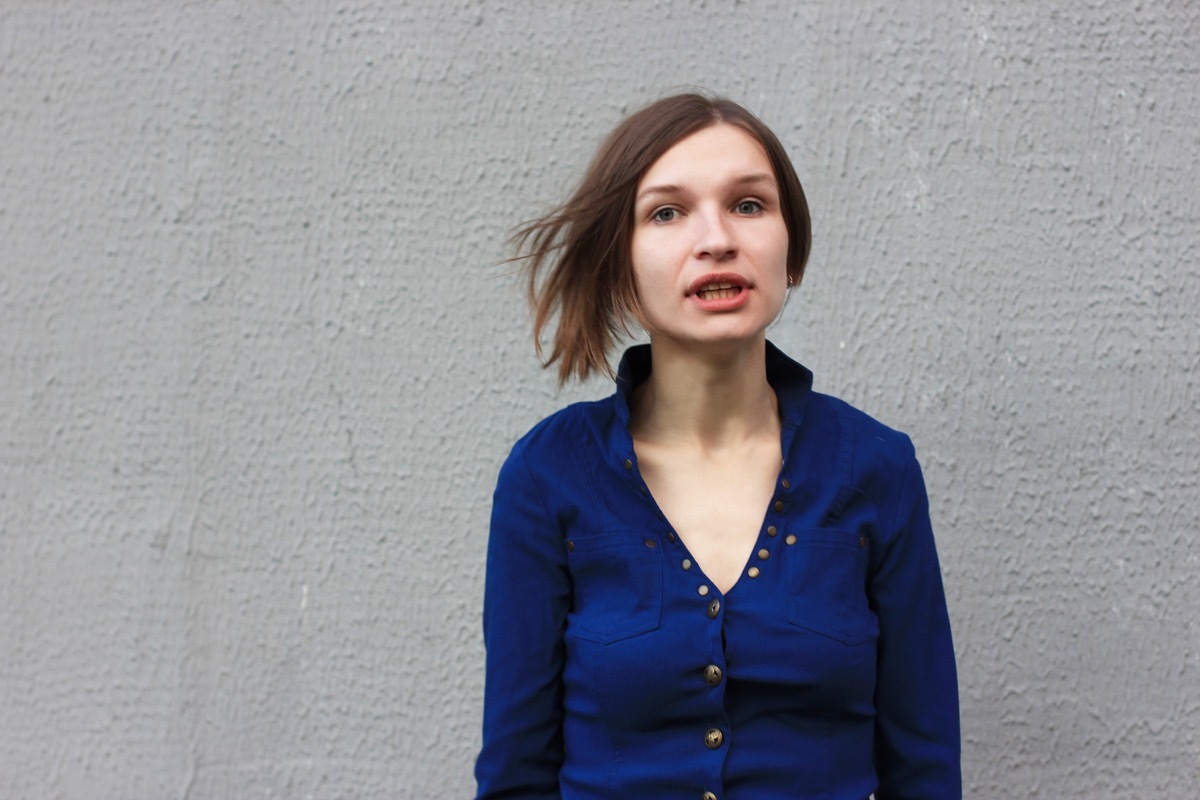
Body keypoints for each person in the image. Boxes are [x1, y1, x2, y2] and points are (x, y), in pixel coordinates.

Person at [475, 92, 960, 800]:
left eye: (749, 205)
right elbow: (516, 773)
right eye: (667, 212)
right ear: (621, 264)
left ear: (789, 245)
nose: (717, 239)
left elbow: (925, 768)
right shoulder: (548, 476)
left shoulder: (877, 469)